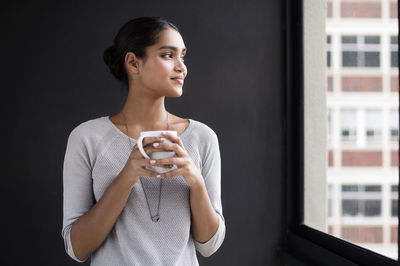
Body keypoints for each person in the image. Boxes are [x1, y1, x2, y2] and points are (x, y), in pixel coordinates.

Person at [61, 16, 225, 265]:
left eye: (182, 55)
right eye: (168, 55)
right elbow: (77, 248)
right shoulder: (86, 138)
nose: (182, 67)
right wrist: (127, 175)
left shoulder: (202, 138)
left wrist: (195, 180)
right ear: (133, 63)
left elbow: (209, 245)